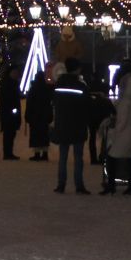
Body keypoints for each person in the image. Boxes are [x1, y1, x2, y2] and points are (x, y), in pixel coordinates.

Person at [50, 59, 91, 194]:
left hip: (63, 124)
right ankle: (79, 185)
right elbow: (86, 105)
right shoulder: (81, 86)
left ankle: (61, 184)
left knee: (63, 157)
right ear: (77, 69)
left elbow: (54, 103)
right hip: (77, 125)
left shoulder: (58, 85)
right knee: (78, 157)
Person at [102, 69, 131, 194]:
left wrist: (113, 131)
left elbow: (122, 121)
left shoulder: (125, 102)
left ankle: (111, 185)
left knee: (111, 158)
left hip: (124, 133)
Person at [24, 64, 54, 161]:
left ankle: (37, 153)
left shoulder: (33, 89)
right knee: (44, 135)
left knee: (35, 135)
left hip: (35, 116)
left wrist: (28, 115)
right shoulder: (47, 89)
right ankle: (44, 154)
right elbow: (49, 103)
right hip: (44, 116)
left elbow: (29, 103)